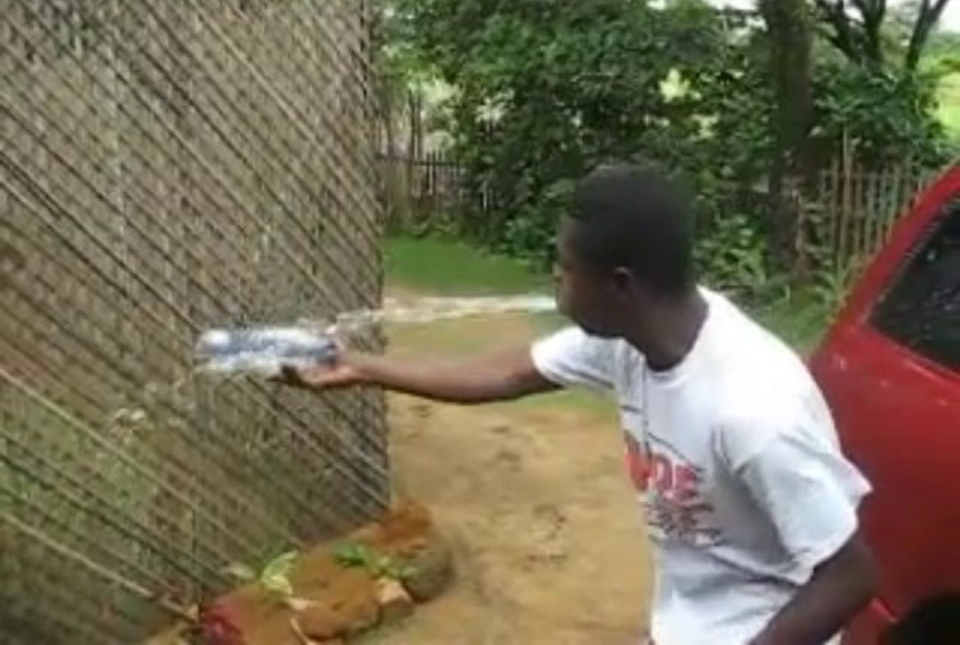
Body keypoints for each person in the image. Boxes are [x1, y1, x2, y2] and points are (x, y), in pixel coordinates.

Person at [276, 164, 878, 644]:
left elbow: (851, 575)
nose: (554, 279)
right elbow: (512, 371)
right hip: (689, 622)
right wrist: (361, 367)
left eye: (564, 266)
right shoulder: (631, 339)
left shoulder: (753, 409)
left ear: (620, 283)